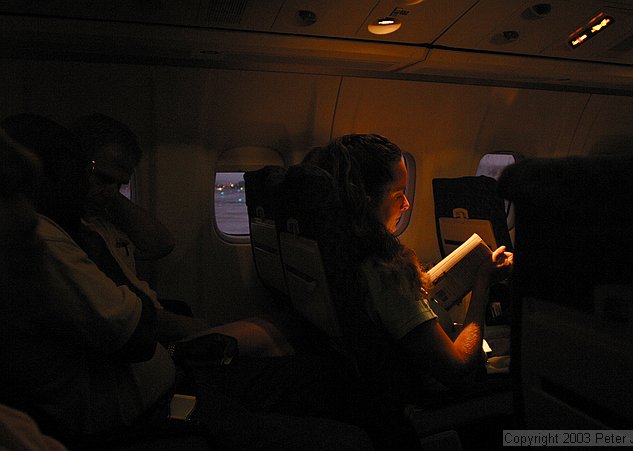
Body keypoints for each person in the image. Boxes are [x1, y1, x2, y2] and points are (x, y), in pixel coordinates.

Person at [0, 114, 373, 451]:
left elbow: (160, 244)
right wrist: (193, 335)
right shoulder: (46, 241)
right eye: (94, 176)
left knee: (317, 372)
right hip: (154, 406)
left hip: (170, 375)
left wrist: (105, 198)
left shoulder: (86, 225)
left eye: (120, 182)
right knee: (345, 435)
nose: (104, 189)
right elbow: (137, 335)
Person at [302, 134, 514, 408]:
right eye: (398, 194)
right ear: (366, 200)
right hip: (425, 397)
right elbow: (458, 368)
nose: (407, 204)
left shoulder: (336, 249)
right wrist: (481, 281)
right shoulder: (384, 269)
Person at [70, 113, 295, 353]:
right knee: (274, 334)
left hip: (152, 319)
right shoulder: (78, 236)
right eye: (104, 178)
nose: (110, 191)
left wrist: (109, 191)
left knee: (278, 329)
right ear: (74, 164)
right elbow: (128, 315)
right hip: (146, 333)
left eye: (120, 184)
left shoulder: (103, 218)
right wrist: (196, 329)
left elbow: (161, 244)